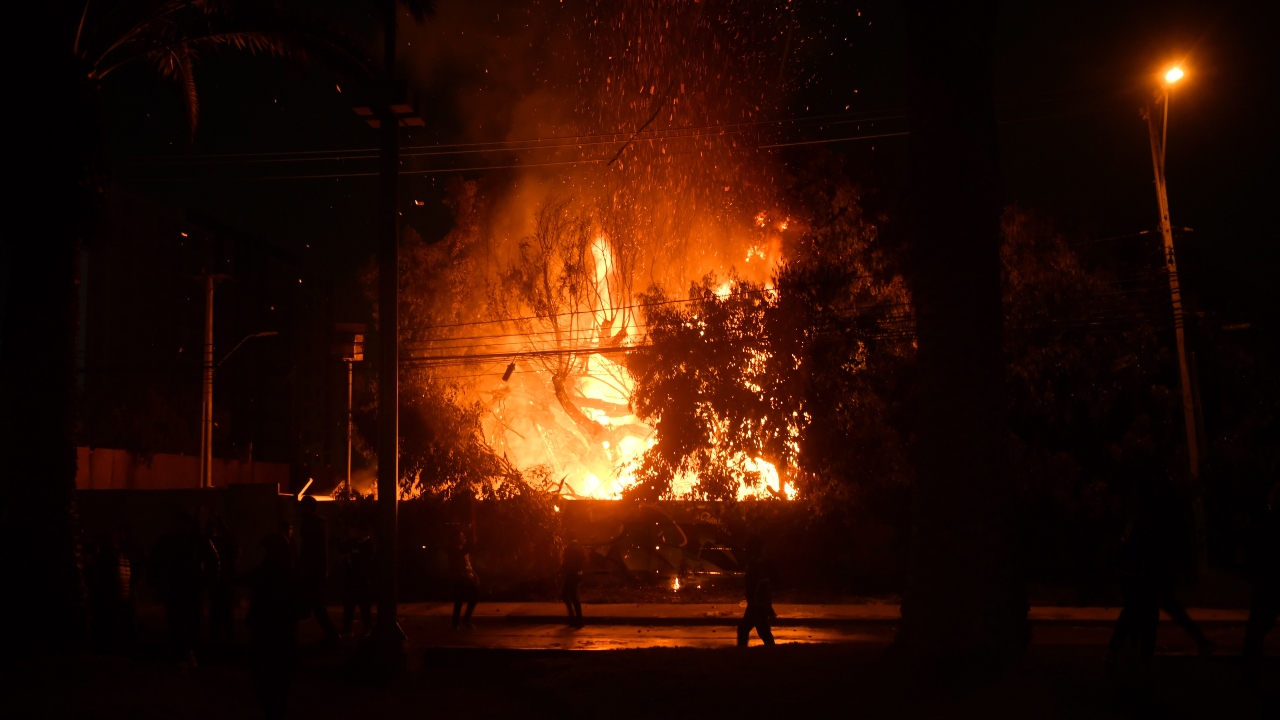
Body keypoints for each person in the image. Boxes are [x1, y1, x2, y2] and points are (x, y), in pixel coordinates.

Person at [245, 532, 302, 720]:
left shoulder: (266, 573)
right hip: (285, 638)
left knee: (264, 685)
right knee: (281, 689)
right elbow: (302, 609)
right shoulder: (291, 574)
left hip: (265, 636)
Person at [151, 511, 219, 667]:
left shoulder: (196, 540)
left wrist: (206, 582)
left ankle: (188, 653)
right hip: (176, 589)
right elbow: (155, 563)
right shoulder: (168, 541)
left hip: (190, 589)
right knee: (177, 622)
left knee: (190, 622)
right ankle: (181, 654)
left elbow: (213, 561)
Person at [1243, 480, 1280, 691]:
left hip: (1268, 583)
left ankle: (1250, 675)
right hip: (1270, 581)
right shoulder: (1269, 520)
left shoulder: (1268, 521)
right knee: (1257, 629)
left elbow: (1258, 551)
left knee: (1256, 630)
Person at [296, 496, 338, 646]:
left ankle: (332, 635)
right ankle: (332, 634)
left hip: (312, 569)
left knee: (314, 603)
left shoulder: (309, 523)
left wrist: (301, 567)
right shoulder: (320, 523)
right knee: (314, 602)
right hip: (318, 568)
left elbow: (308, 549)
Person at [87, 530, 134, 653]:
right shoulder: (123, 555)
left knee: (107, 631)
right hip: (121, 599)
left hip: (108, 599)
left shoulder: (106, 557)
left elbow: (99, 579)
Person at [737, 535, 776, 646]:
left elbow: (763, 585)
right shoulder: (757, 562)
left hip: (756, 605)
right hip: (757, 604)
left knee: (743, 630)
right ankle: (773, 653)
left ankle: (741, 654)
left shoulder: (757, 564)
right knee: (763, 631)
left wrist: (762, 605)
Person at [206, 514, 240, 643]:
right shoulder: (220, 542)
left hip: (219, 581)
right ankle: (226, 636)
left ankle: (217, 636)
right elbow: (230, 538)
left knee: (217, 610)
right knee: (224, 610)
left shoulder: (213, 542)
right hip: (223, 580)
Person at [341, 520, 375, 637]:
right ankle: (348, 628)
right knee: (350, 604)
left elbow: (366, 563)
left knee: (363, 605)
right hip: (352, 578)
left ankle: (367, 627)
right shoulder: (354, 543)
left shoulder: (367, 545)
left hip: (361, 579)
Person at [446, 528, 479, 630]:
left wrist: (474, 575)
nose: (463, 537)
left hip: (468, 577)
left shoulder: (463, 548)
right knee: (459, 600)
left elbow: (468, 563)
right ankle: (455, 624)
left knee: (474, 597)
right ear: (455, 538)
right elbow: (460, 554)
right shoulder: (453, 549)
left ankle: (466, 620)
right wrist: (471, 544)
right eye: (461, 536)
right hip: (459, 578)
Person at [561, 533, 587, 627]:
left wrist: (561, 570)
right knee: (572, 595)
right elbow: (584, 559)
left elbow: (566, 562)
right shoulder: (580, 547)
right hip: (578, 574)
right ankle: (576, 618)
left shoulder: (569, 548)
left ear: (568, 538)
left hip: (571, 575)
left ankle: (577, 618)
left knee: (569, 596)